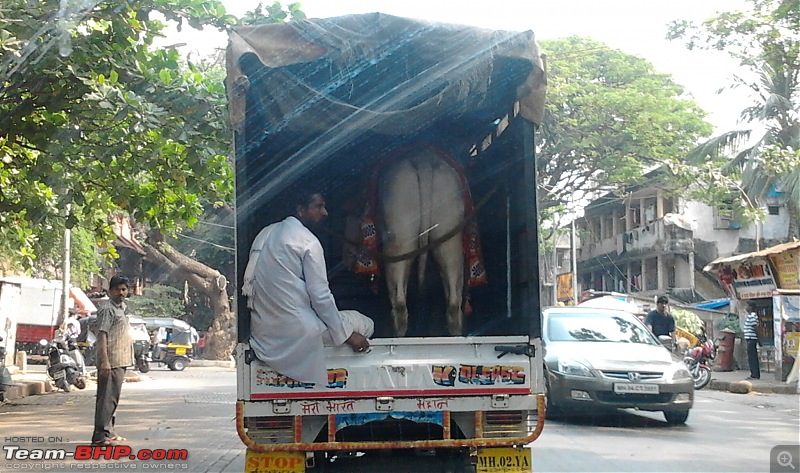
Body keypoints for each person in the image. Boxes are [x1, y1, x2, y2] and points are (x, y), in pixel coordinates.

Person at [246, 190, 374, 387]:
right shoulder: (308, 242)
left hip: (264, 335)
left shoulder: (266, 233)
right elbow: (320, 296)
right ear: (301, 210)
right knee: (365, 323)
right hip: (300, 333)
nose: (325, 213)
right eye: (318, 207)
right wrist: (348, 336)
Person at [91, 275, 134, 446]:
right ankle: (100, 436)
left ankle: (109, 432)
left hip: (120, 359)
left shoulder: (121, 308)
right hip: (111, 360)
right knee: (106, 399)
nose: (121, 292)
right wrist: (104, 361)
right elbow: (102, 334)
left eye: (124, 289)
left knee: (113, 398)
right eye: (117, 289)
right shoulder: (107, 308)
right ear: (110, 291)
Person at [743, 304, 760, 380]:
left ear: (751, 307)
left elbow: (755, 328)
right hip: (750, 339)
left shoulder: (752, 316)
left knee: (752, 358)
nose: (746, 307)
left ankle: (754, 375)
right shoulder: (751, 315)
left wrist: (759, 339)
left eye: (747, 306)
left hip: (751, 339)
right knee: (753, 357)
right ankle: (755, 374)